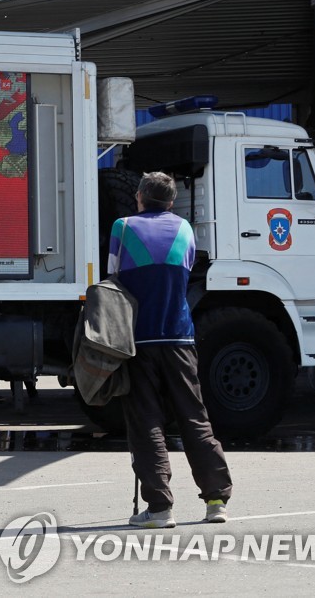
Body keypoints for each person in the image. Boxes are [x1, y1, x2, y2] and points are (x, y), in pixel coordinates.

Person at [108, 171, 232, 528]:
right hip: (180, 336)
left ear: (140, 196)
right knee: (195, 418)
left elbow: (113, 278)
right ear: (172, 201)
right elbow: (184, 271)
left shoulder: (123, 227)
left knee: (146, 422)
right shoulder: (185, 229)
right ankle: (215, 501)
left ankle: (160, 509)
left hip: (140, 338)